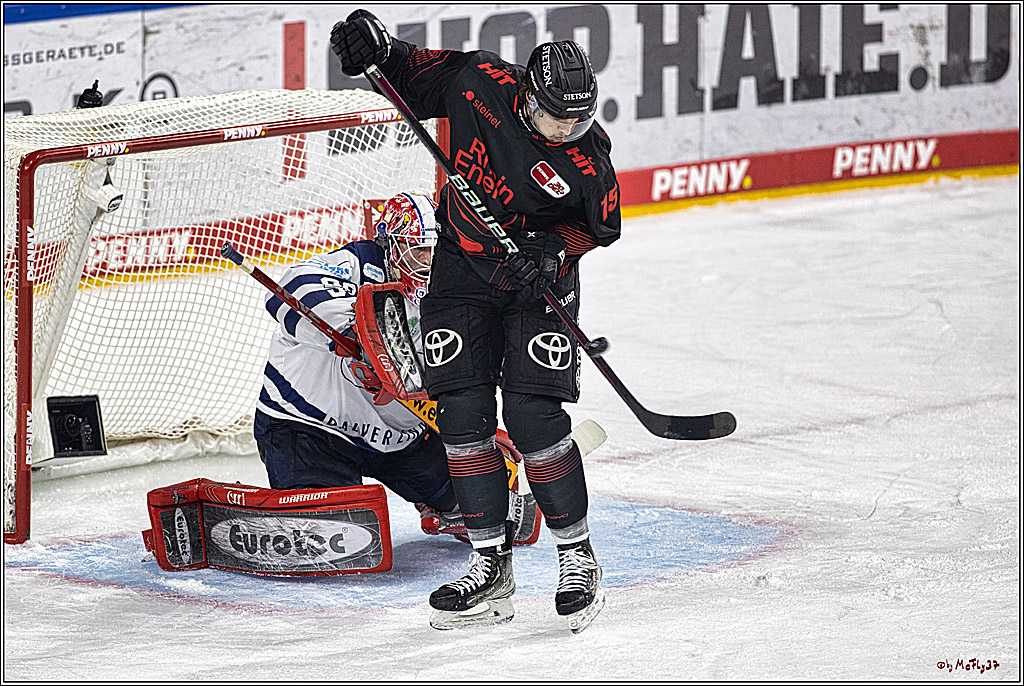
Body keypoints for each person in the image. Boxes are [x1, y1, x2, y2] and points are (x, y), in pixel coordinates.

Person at [331, 12, 621, 632]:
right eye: (554, 118)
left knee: (533, 416)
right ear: (525, 96)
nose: (567, 130)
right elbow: (404, 71)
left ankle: (578, 556)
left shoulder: (589, 160)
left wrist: (555, 246)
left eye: (579, 119)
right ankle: (490, 564)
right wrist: (370, 47)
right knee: (461, 417)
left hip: (537, 288)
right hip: (462, 274)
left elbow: (602, 227)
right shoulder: (476, 80)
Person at [253, 190, 539, 547]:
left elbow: (462, 371)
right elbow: (289, 290)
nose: (430, 262)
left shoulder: (457, 289)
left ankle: (439, 505)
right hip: (311, 427)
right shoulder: (359, 264)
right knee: (333, 538)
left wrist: (475, 427)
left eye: (438, 251)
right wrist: (360, 330)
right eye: (419, 250)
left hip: (399, 437)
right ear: (390, 244)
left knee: (496, 514)